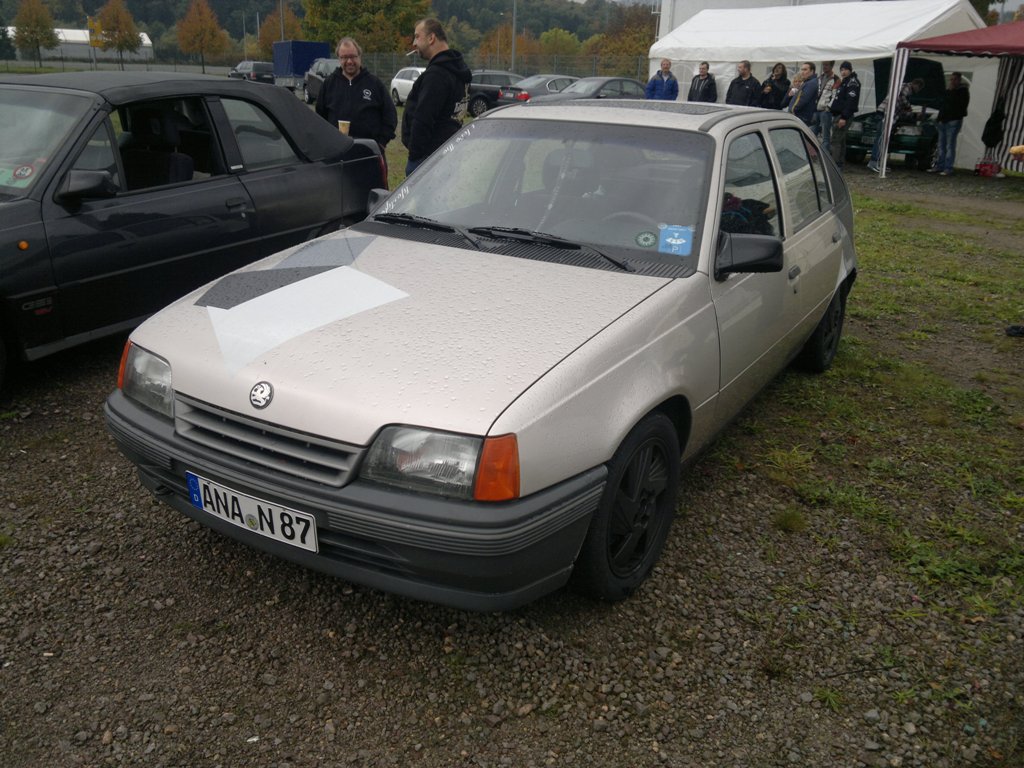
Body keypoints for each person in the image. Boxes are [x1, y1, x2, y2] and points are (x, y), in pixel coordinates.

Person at [401, 18, 472, 176]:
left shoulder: (437, 75)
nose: (414, 43)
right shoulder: (458, 71)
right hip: (448, 155)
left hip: (428, 161)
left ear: (431, 38)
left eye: (417, 36)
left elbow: (423, 119)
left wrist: (415, 158)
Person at [315, 37, 397, 156]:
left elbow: (390, 116)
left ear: (360, 56)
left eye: (353, 56)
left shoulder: (374, 83)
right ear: (339, 58)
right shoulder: (329, 84)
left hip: (369, 154)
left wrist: (381, 143)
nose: (349, 61)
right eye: (344, 57)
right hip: (337, 154)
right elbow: (320, 118)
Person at [868, 77, 923, 172]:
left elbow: (900, 109)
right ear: (916, 85)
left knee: (883, 140)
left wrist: (911, 114)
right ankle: (873, 162)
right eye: (919, 89)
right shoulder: (906, 87)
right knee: (881, 139)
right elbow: (901, 96)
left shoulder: (904, 88)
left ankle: (879, 162)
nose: (917, 91)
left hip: (887, 114)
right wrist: (909, 107)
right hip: (886, 114)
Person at [929, 71, 969, 176]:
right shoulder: (948, 91)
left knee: (949, 145)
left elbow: (957, 105)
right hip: (943, 120)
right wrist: (938, 119)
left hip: (953, 120)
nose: (952, 81)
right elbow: (943, 104)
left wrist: (951, 92)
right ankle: (939, 165)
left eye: (954, 79)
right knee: (941, 145)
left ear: (959, 80)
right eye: (951, 79)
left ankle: (948, 167)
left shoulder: (963, 91)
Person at [829, 61, 861, 168]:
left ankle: (834, 164)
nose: (843, 72)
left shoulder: (852, 83)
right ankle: (839, 163)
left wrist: (844, 117)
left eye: (845, 70)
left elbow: (850, 101)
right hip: (838, 114)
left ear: (850, 70)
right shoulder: (845, 81)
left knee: (835, 140)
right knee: (841, 140)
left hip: (843, 115)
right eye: (841, 70)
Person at [814, 61, 840, 153]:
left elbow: (835, 96)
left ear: (831, 66)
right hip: (816, 109)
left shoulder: (836, 79)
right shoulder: (819, 78)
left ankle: (825, 156)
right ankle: (811, 153)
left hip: (825, 111)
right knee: (812, 132)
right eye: (823, 65)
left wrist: (828, 108)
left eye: (826, 65)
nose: (824, 67)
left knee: (825, 135)